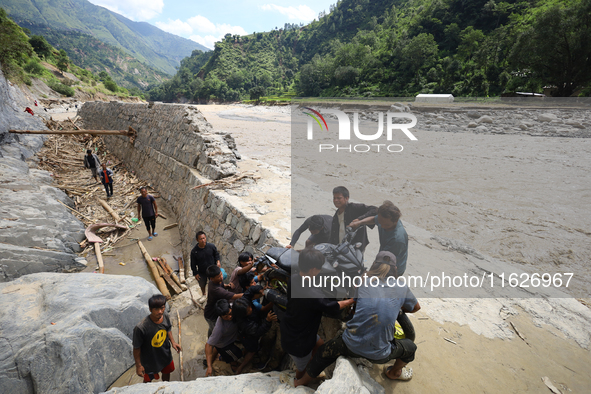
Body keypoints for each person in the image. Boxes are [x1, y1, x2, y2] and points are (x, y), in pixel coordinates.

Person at [295, 251, 420, 387]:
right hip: (380, 354)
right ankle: (394, 372)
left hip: (350, 344)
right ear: (395, 269)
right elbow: (415, 308)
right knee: (411, 348)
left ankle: (301, 382)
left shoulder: (363, 281)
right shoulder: (401, 286)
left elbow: (356, 302)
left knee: (323, 353)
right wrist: (397, 307)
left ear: (374, 265)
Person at [281, 248, 355, 382]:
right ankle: (299, 381)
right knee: (300, 368)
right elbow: (333, 307)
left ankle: (310, 366)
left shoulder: (294, 278)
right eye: (320, 267)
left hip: (293, 327)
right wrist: (351, 300)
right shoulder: (314, 296)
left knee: (320, 344)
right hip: (298, 342)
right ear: (313, 270)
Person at [350, 200, 408, 275]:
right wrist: (359, 222)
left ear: (395, 221)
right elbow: (374, 219)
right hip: (384, 256)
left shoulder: (397, 239)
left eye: (386, 225)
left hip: (392, 268)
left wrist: (369, 273)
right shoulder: (384, 219)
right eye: (380, 223)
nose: (382, 226)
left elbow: (384, 261)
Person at [132, 294, 181, 383]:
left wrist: (173, 342)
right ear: (150, 309)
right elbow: (136, 347)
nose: (160, 311)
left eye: (162, 308)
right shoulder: (141, 328)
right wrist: (138, 366)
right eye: (156, 309)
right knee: (147, 380)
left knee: (166, 374)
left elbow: (168, 328)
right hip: (150, 360)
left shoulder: (165, 315)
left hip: (165, 354)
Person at [232, 297, 277, 374]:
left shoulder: (240, 310)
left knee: (248, 347)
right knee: (252, 351)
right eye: (248, 310)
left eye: (250, 307)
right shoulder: (246, 324)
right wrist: (267, 321)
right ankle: (241, 367)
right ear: (243, 314)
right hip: (249, 337)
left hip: (245, 335)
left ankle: (244, 352)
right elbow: (259, 331)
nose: (251, 309)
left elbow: (249, 293)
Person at [329, 186, 377, 251]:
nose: (336, 200)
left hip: (355, 248)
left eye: (339, 198)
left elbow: (375, 210)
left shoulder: (355, 208)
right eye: (334, 198)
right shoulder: (336, 216)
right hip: (341, 249)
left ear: (346, 198)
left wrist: (359, 220)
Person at [205, 299, 242, 377]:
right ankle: (233, 364)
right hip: (224, 345)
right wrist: (209, 366)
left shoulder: (234, 306)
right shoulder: (219, 328)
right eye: (226, 317)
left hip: (231, 337)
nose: (230, 317)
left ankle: (221, 356)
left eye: (230, 313)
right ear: (221, 317)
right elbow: (208, 345)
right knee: (236, 355)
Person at [203, 265, 243, 337]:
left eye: (221, 274)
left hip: (215, 310)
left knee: (212, 329)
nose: (221, 277)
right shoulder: (216, 290)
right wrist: (248, 293)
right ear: (212, 278)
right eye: (218, 276)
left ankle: (210, 338)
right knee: (216, 331)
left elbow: (222, 285)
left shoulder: (217, 281)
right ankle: (214, 345)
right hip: (211, 314)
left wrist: (227, 286)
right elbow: (234, 296)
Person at [190, 231, 221, 296]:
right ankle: (204, 294)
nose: (203, 240)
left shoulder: (211, 246)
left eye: (204, 238)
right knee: (202, 284)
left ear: (206, 238)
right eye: (200, 239)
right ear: (197, 240)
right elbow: (193, 264)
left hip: (212, 270)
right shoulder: (194, 251)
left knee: (214, 282)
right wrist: (195, 273)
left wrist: (218, 261)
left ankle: (215, 293)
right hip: (202, 271)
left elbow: (216, 254)